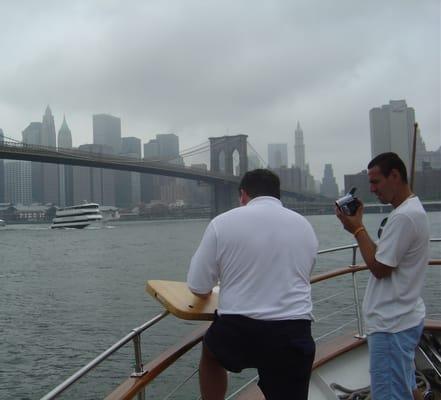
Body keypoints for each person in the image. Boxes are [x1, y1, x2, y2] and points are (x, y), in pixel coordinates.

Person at [187, 169, 318, 400]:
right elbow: (304, 274)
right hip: (294, 331)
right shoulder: (304, 225)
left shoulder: (222, 223)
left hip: (240, 330)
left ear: (243, 195)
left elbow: (198, 286)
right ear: (278, 196)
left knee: (211, 353)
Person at [335, 152, 430, 400]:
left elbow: (379, 267)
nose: (373, 189)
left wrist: (356, 228)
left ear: (395, 175)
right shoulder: (408, 211)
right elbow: (385, 257)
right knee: (408, 386)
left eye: (376, 182)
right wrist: (359, 226)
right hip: (403, 319)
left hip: (392, 326)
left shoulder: (404, 217)